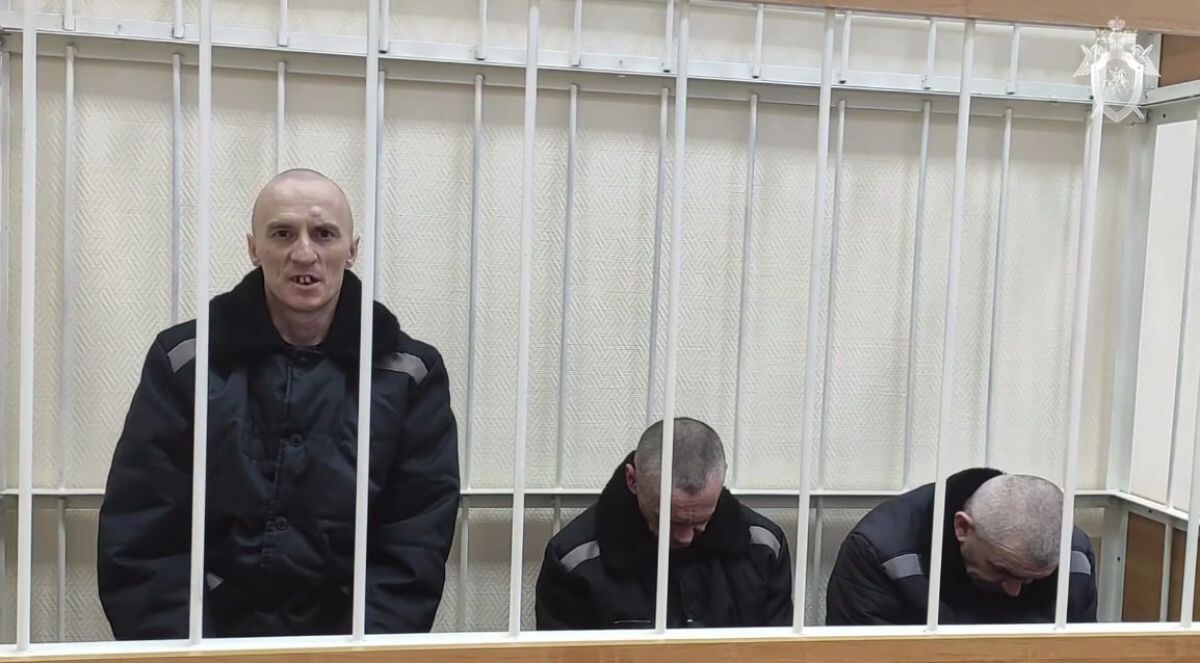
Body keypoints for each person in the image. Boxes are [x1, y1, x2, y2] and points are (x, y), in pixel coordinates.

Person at [97, 169, 460, 639]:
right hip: (206, 645)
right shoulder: (186, 361)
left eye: (324, 234)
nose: (304, 253)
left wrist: (360, 652)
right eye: (283, 234)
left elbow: (414, 541)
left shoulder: (409, 373)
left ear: (352, 250)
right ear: (254, 248)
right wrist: (189, 652)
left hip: (352, 647)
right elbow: (143, 529)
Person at [535, 418, 793, 629]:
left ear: (722, 479)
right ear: (633, 480)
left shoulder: (764, 547)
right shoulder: (576, 560)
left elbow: (781, 654)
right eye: (669, 520)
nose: (685, 537)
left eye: (701, 521)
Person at [825, 468, 1097, 625]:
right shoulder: (881, 551)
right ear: (962, 528)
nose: (1014, 591)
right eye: (1002, 570)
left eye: (1031, 580)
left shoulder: (1074, 556)